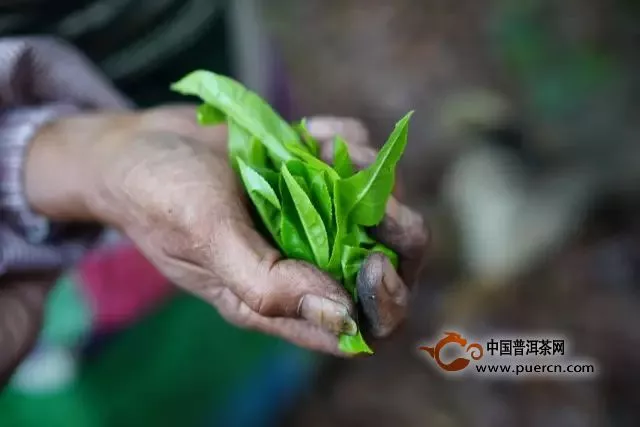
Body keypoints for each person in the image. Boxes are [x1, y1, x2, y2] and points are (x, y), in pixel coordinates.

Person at [0, 35, 427, 389]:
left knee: (245, 309)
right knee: (125, 342)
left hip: (215, 61)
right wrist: (84, 159)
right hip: (70, 247)